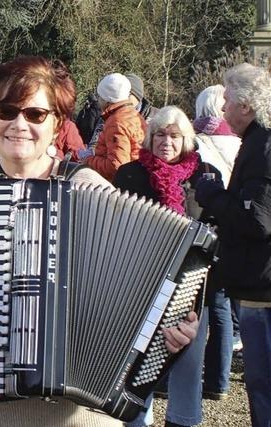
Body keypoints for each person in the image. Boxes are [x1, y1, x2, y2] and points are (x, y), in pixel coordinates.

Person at [0, 56, 199, 427]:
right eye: (7, 110)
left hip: (86, 416)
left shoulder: (92, 192)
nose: (19, 124)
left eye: (35, 114)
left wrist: (172, 330)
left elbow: (153, 294)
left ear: (58, 122)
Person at [114, 106, 220, 427]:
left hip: (192, 285)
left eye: (174, 136)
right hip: (141, 281)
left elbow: (216, 229)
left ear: (187, 139)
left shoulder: (206, 176)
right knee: (138, 362)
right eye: (160, 134)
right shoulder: (131, 174)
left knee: (188, 359)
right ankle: (135, 418)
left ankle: (183, 420)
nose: (166, 142)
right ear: (149, 137)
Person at [194, 62, 271, 427]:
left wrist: (212, 195)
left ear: (246, 105)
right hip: (257, 280)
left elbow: (258, 219)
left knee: (262, 382)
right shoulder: (257, 141)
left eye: (227, 102)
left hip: (262, 286)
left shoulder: (263, 145)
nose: (222, 110)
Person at [193, 84, 242, 402]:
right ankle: (219, 380)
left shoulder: (198, 142)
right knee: (223, 307)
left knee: (197, 305)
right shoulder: (241, 141)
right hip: (233, 228)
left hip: (206, 225)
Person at [83, 73, 146, 181]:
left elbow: (116, 166)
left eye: (99, 96)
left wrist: (88, 160)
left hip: (120, 187)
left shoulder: (116, 122)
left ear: (107, 100)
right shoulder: (134, 116)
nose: (98, 100)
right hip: (137, 180)